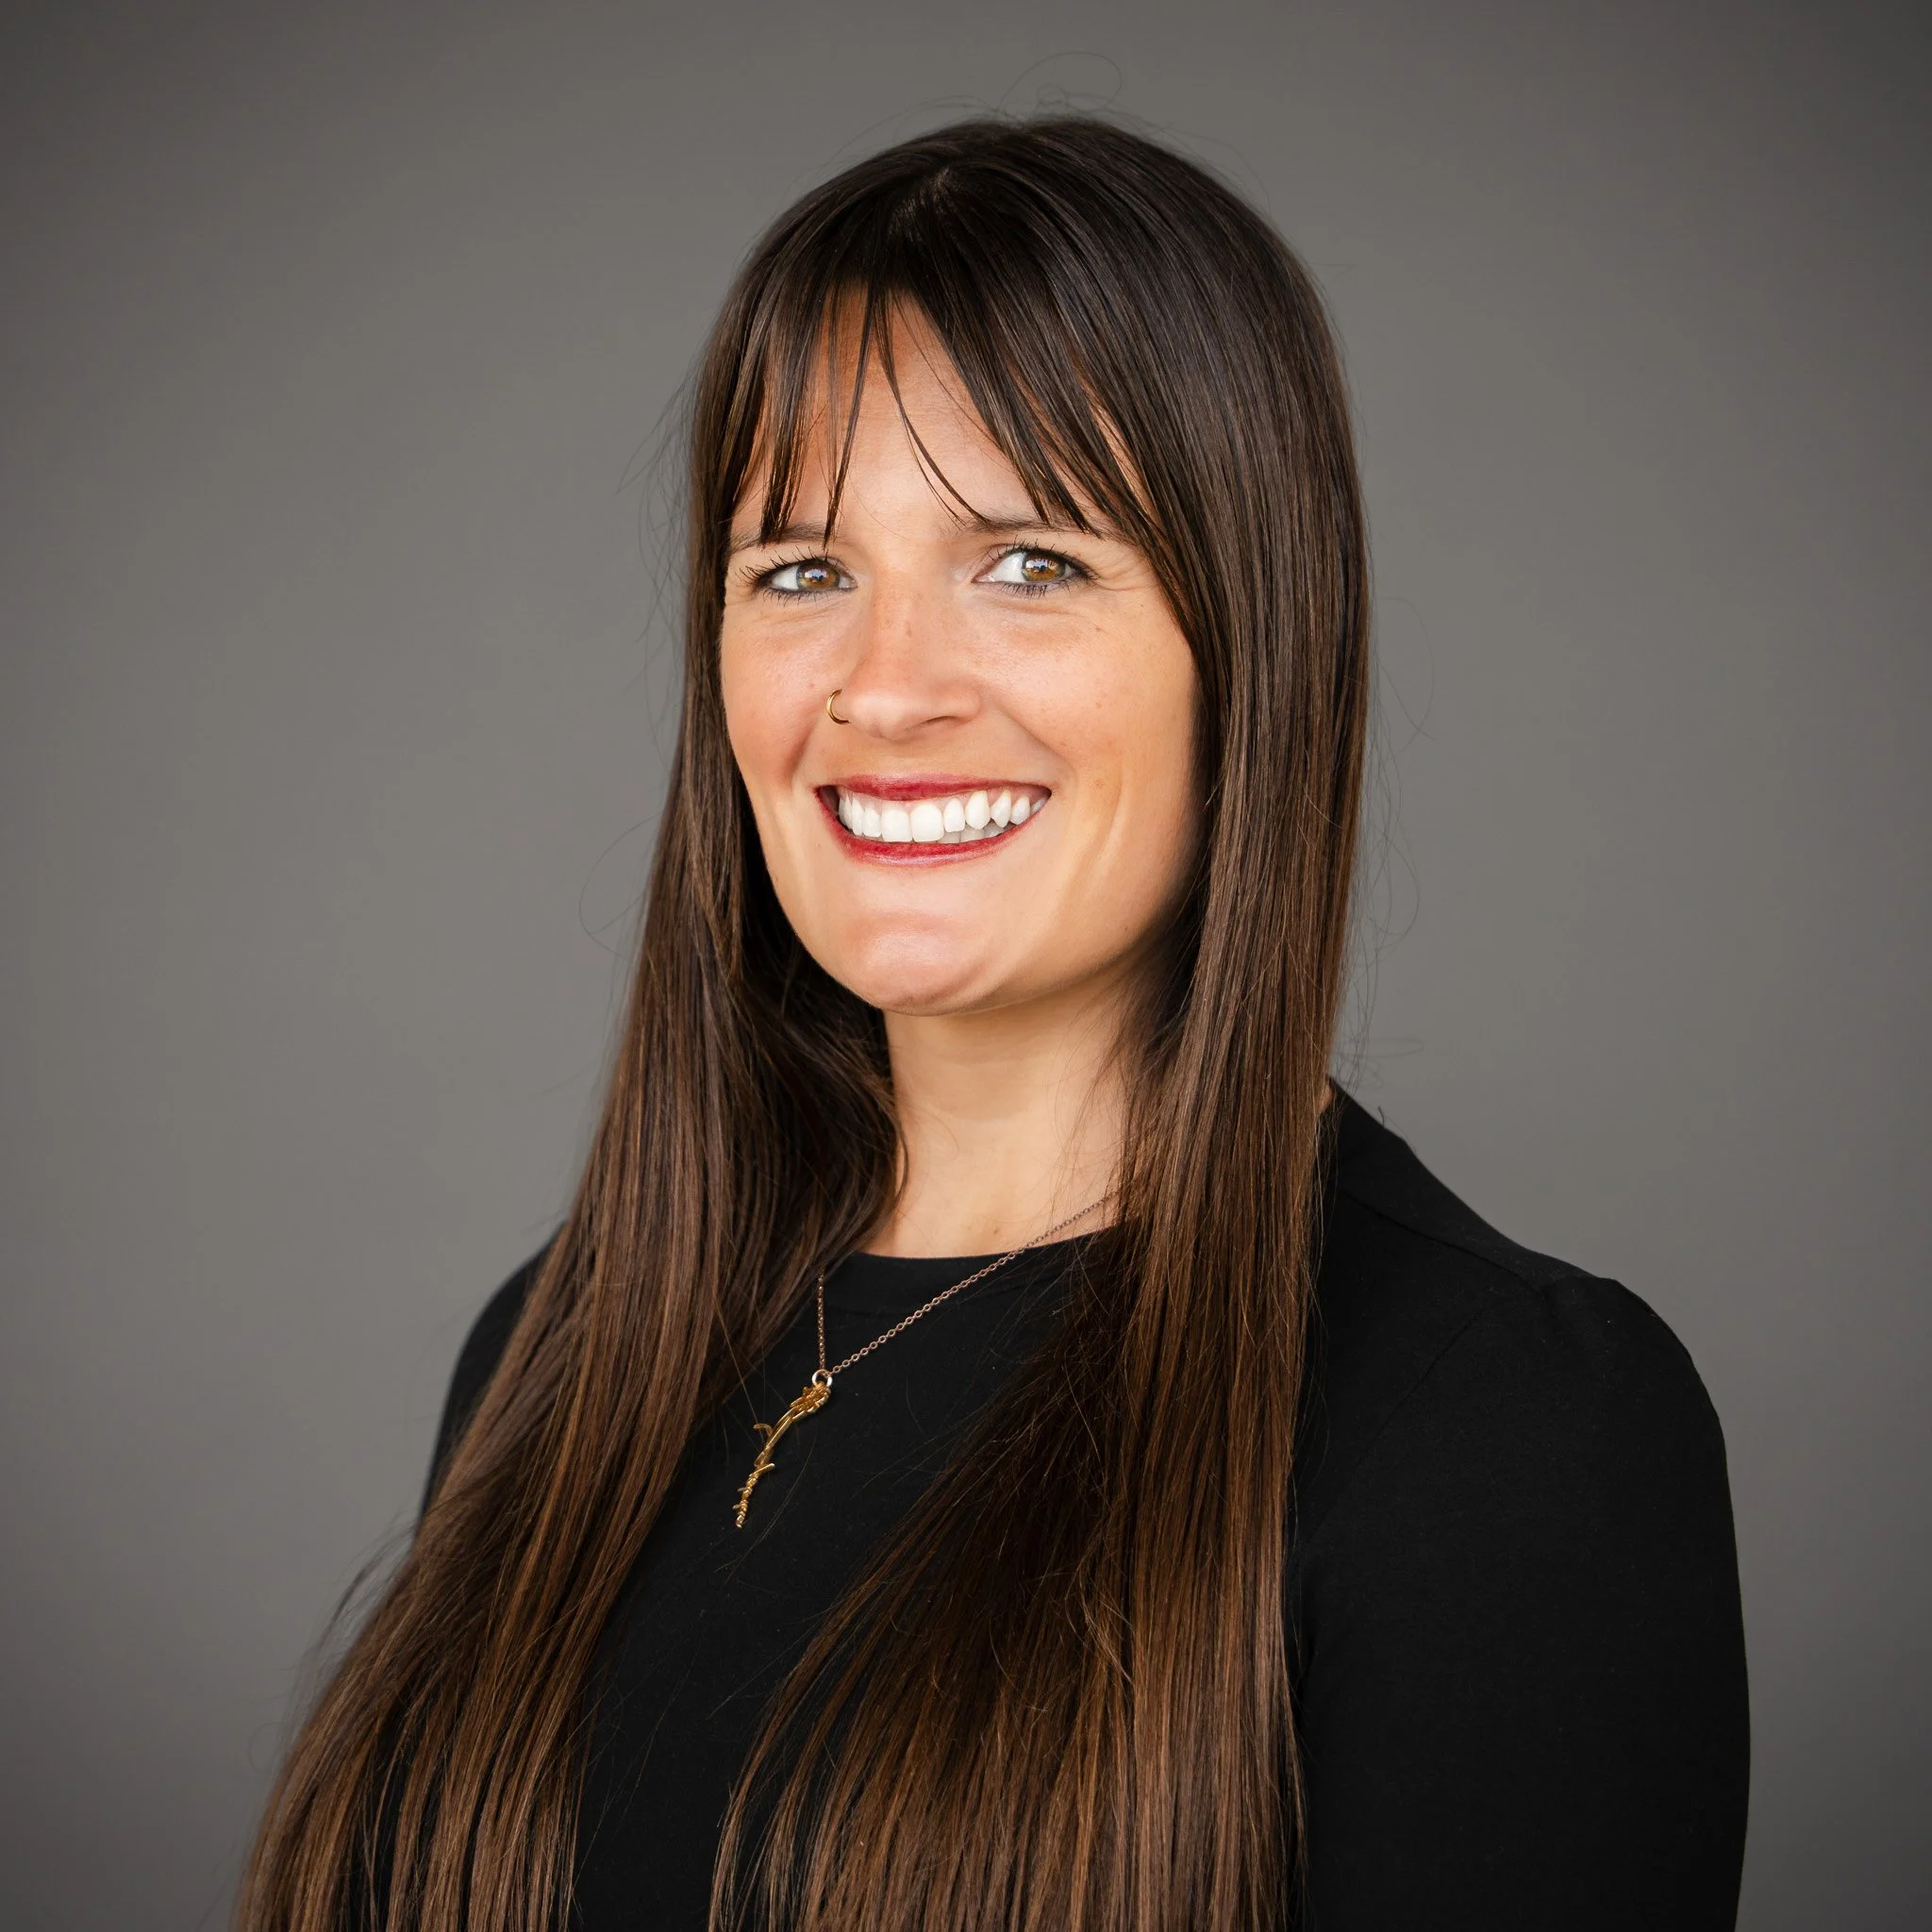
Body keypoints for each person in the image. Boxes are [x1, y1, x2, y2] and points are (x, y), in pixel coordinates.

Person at [240, 116, 1749, 1932]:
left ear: (1250, 650)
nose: (885, 691)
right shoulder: (562, 1346)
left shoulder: (1510, 1432)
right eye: (801, 570)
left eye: (1029, 562)